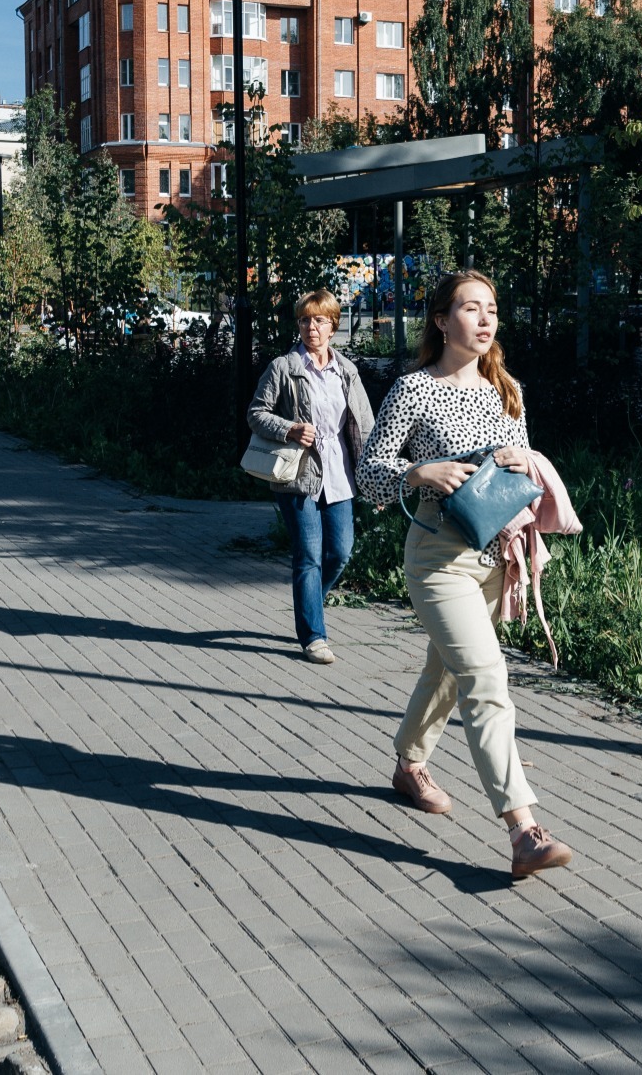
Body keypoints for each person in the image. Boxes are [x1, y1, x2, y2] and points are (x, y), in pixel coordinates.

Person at [356, 270, 574, 879]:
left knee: (446, 673)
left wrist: (519, 461)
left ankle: (408, 762)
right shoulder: (414, 389)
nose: (485, 320)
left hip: (494, 556)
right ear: (441, 320)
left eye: (492, 310)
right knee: (484, 677)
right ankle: (524, 828)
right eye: (471, 309)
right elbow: (371, 473)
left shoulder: (506, 387)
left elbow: (522, 475)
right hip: (436, 558)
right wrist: (418, 473)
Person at [247, 290, 375, 666]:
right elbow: (256, 413)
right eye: (305, 319)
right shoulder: (284, 367)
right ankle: (313, 636)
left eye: (319, 320)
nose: (311, 327)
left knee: (340, 553)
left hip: (340, 477)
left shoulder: (347, 371)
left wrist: (373, 477)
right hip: (299, 477)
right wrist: (288, 429)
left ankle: (309, 605)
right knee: (308, 557)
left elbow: (364, 428)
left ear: (333, 325)